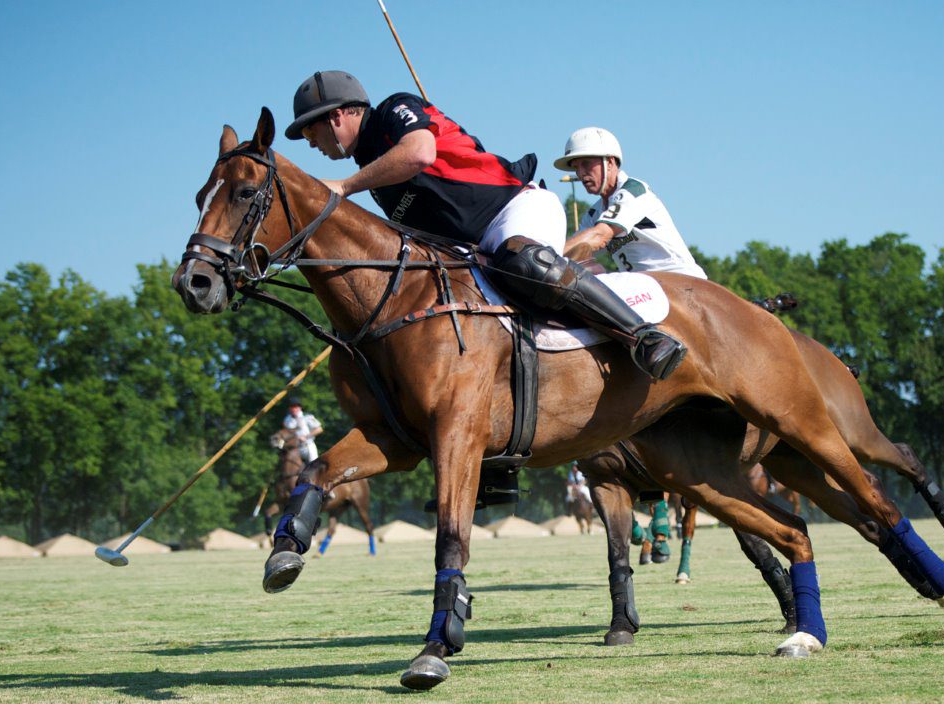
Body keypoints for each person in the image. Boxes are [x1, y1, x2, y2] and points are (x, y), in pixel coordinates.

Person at [284, 71, 688, 381]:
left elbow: (421, 152)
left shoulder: (393, 111)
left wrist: (345, 187)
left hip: (514, 210)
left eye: (310, 129)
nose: (311, 141)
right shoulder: (371, 169)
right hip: (475, 253)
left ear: (337, 116)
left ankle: (642, 337)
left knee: (525, 263)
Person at [557, 127, 707, 280]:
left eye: (586, 164)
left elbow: (600, 235)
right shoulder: (594, 214)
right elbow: (576, 250)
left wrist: (549, 253)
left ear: (609, 162)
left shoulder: (633, 191)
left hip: (681, 281)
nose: (581, 173)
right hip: (646, 287)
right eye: (576, 168)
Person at [282, 398, 323, 464]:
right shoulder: (287, 420)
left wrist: (306, 437)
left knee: (315, 466)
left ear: (300, 407)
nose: (294, 409)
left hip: (308, 446)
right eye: (292, 407)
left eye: (296, 407)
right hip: (295, 448)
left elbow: (319, 429)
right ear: (289, 408)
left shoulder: (307, 417)